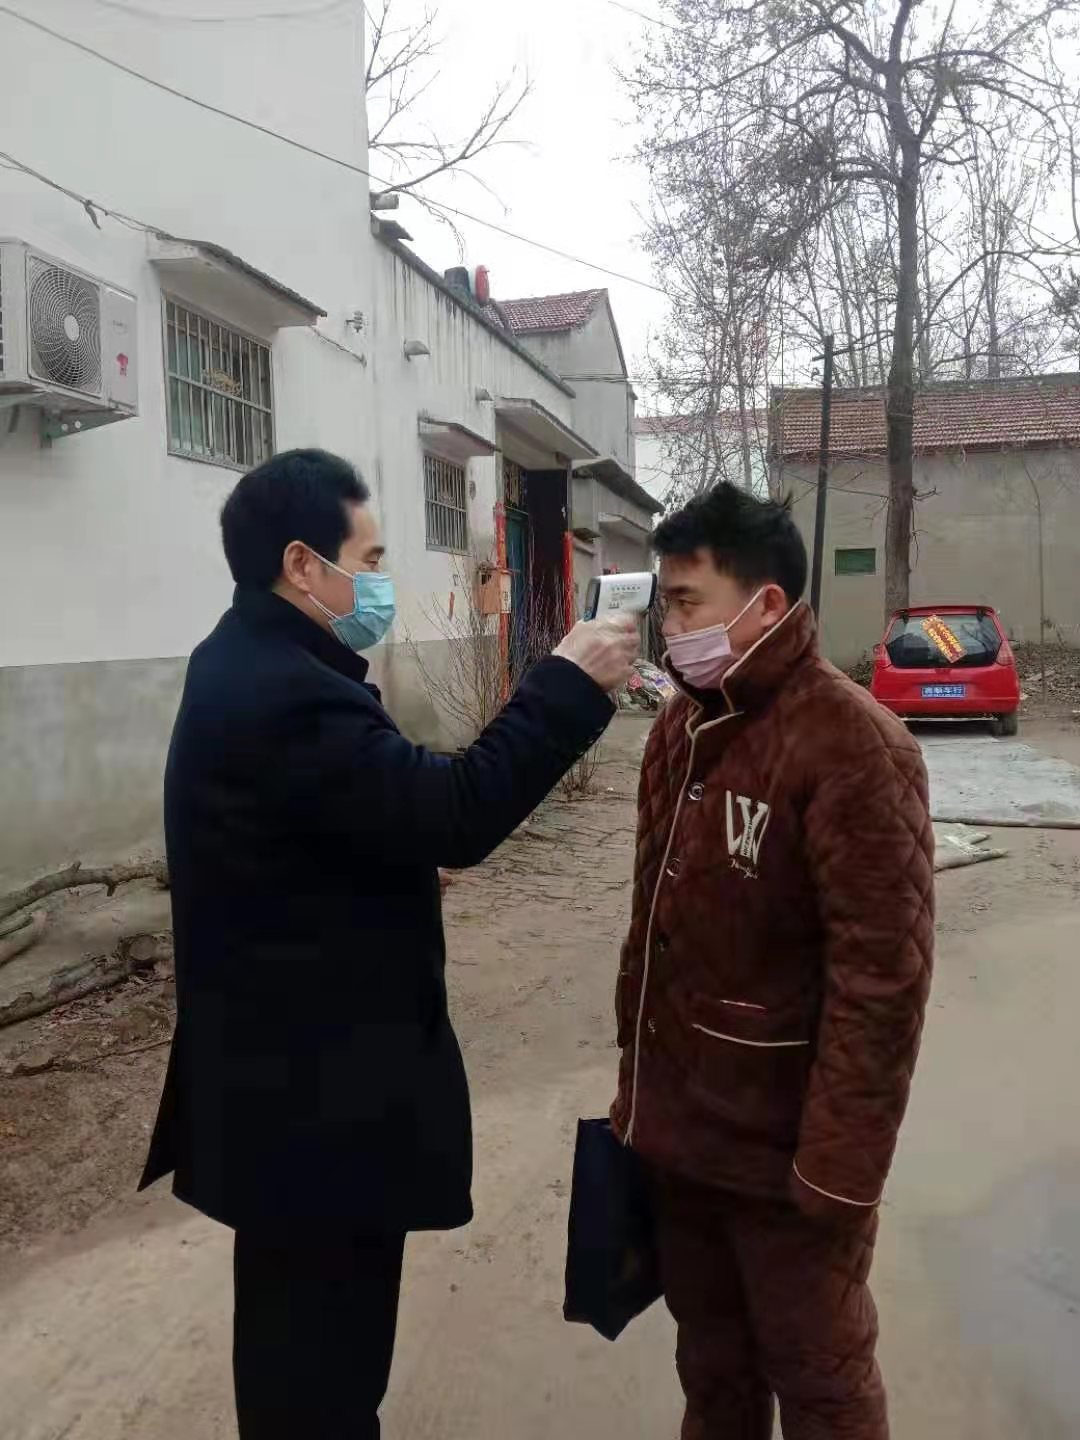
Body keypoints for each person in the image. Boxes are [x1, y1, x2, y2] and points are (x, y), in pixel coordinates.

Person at [139, 448, 637, 1439]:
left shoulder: (242, 658)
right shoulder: (288, 693)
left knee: (296, 1360)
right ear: (301, 564)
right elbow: (456, 812)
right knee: (320, 1381)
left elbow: (322, 829)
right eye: (367, 558)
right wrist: (566, 684)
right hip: (314, 1112)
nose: (380, 581)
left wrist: (387, 863)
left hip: (280, 1097)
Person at [610, 483, 934, 1440]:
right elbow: (655, 928)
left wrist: (837, 1173)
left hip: (787, 1159)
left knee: (823, 1383)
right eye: (665, 604)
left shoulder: (853, 745)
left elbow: (882, 981)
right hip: (684, 1139)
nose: (670, 630)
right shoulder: (682, 726)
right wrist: (639, 1105)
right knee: (713, 1372)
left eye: (687, 603)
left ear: (766, 605)